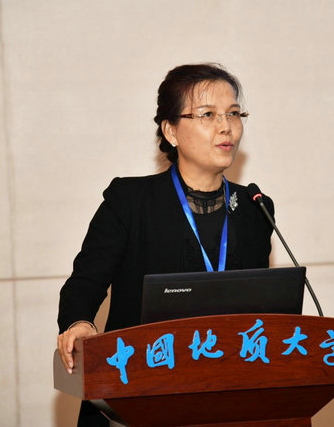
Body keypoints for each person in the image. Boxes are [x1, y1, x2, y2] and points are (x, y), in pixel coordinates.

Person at [56, 63, 274, 426]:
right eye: (208, 114)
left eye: (234, 114)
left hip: (227, 402)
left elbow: (260, 313)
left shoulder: (255, 209)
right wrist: (79, 323)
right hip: (134, 397)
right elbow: (83, 284)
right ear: (171, 131)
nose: (226, 127)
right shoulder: (130, 201)